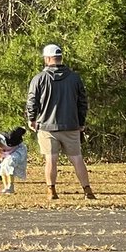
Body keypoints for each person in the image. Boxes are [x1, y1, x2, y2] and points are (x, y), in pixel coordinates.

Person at [26, 44, 95, 201]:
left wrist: (32, 119)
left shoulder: (39, 78)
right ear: (60, 58)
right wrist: (81, 122)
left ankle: (51, 191)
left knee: (51, 158)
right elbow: (82, 102)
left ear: (48, 58)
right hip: (71, 125)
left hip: (47, 126)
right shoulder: (74, 78)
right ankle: (87, 190)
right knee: (77, 158)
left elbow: (32, 101)